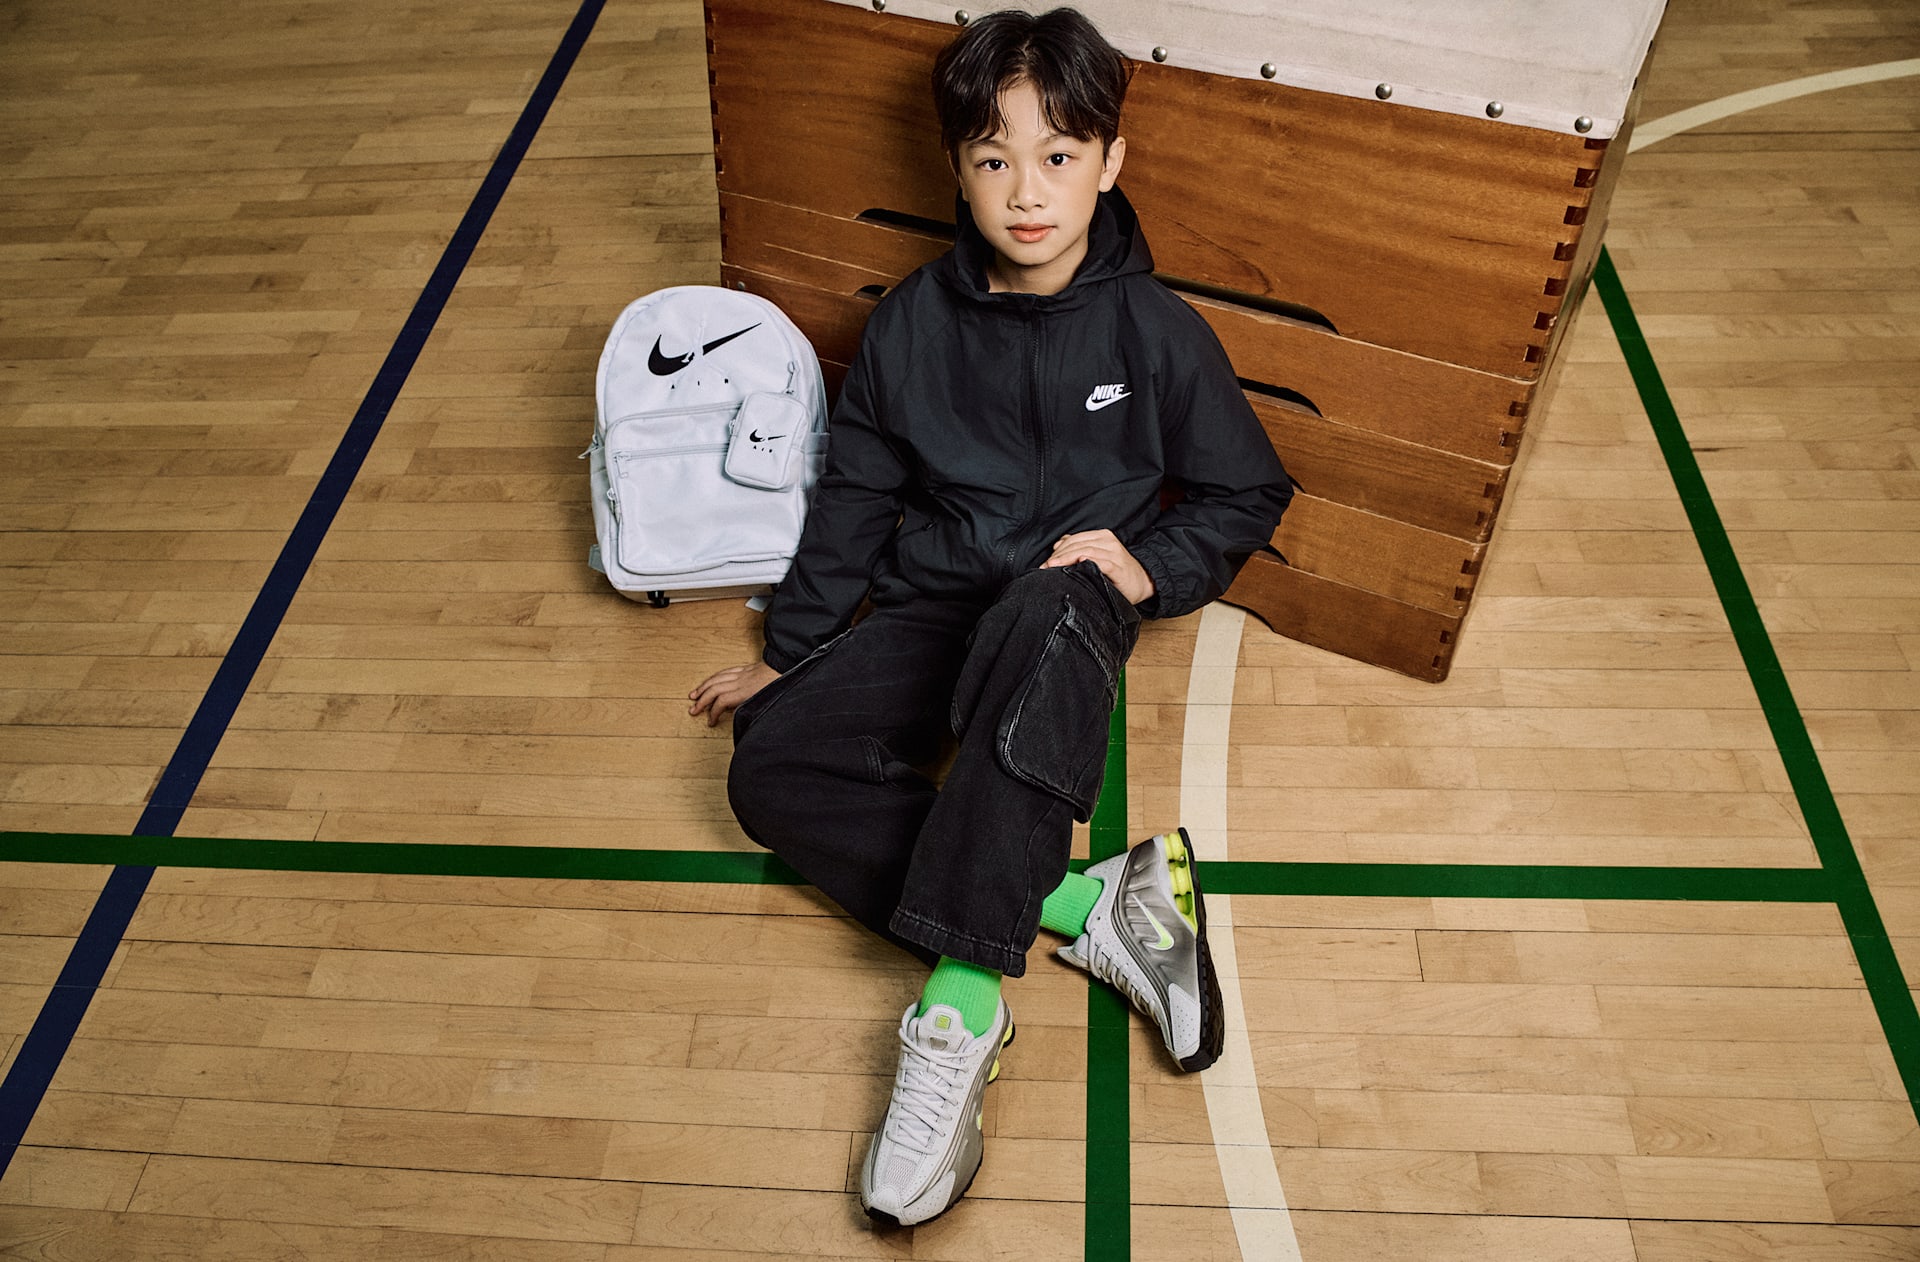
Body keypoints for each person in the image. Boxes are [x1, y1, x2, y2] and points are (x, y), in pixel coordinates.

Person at [689, 6, 1291, 1227]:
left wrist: (1146, 567)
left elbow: (1249, 490)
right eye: (995, 158)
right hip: (935, 602)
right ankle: (1093, 903)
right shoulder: (911, 322)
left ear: (1110, 163)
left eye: (1059, 155)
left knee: (1055, 600)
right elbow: (856, 493)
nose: (1028, 190)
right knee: (768, 766)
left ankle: (958, 1013)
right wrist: (790, 654)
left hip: (1065, 610)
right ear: (956, 169)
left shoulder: (1156, 332)